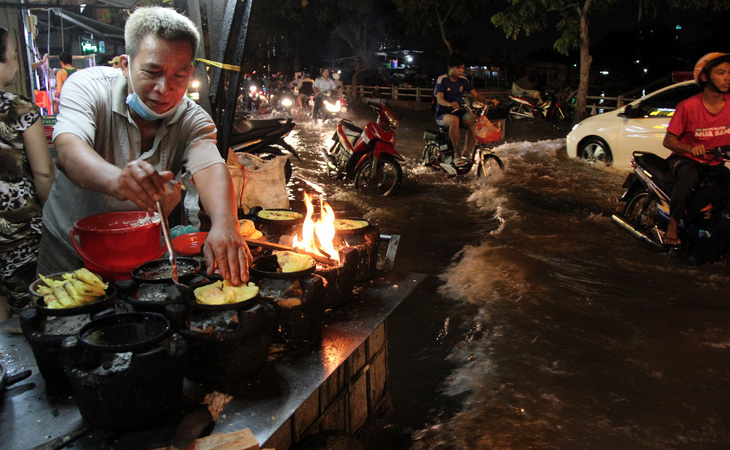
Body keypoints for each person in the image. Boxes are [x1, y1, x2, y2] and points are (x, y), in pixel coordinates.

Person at [38, 6, 252, 285]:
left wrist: (226, 223)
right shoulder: (88, 88)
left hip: (144, 253)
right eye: (152, 71)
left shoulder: (193, 119)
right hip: (70, 246)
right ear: (125, 65)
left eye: (179, 76)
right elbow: (68, 149)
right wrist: (116, 179)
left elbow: (210, 167)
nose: (165, 88)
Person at [0, 27, 55, 319]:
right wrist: (50, 216)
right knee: (26, 309)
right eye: (13, 56)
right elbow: (44, 173)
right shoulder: (19, 110)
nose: (17, 64)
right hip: (17, 231)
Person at [662, 52, 730, 246]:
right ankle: (673, 225)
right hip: (685, 160)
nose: (728, 77)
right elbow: (668, 141)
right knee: (688, 177)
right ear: (705, 77)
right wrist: (690, 148)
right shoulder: (689, 106)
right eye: (721, 72)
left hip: (714, 162)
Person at [434, 53, 499, 164]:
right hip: (443, 114)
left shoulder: (463, 80)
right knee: (454, 120)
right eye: (458, 68)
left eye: (462, 68)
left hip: (458, 112)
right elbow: (439, 98)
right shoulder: (442, 79)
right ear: (450, 67)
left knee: (473, 121)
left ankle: (466, 154)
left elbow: (476, 95)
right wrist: (449, 104)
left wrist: (488, 101)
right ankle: (456, 153)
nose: (460, 71)